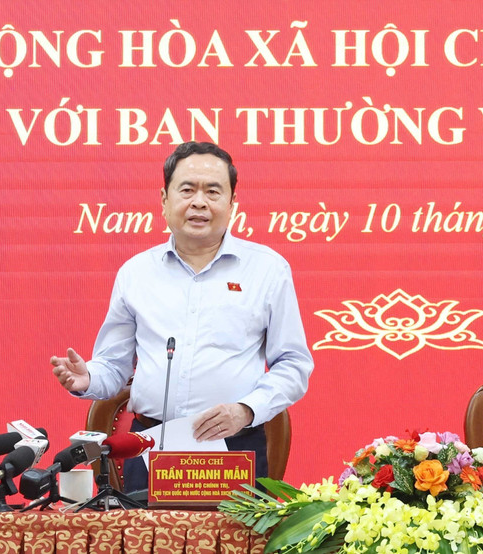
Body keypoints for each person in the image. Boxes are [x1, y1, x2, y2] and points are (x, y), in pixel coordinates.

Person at [51, 141, 314, 491]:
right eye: (187, 190)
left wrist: (246, 410)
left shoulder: (267, 270)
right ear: (164, 200)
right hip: (150, 446)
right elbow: (113, 367)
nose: (199, 202)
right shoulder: (137, 273)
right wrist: (89, 379)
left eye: (213, 191)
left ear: (233, 203)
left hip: (233, 447)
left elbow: (293, 364)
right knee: (147, 545)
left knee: (233, 546)